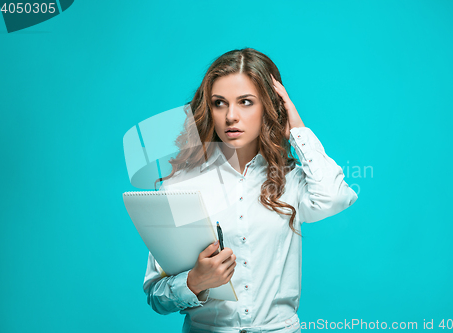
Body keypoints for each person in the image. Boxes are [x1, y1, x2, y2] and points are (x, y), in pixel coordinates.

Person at [143, 48, 358, 333]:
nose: (231, 116)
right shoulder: (180, 186)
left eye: (245, 102)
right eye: (219, 103)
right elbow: (156, 296)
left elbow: (336, 197)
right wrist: (195, 281)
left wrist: (297, 129)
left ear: (269, 106)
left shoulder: (291, 180)